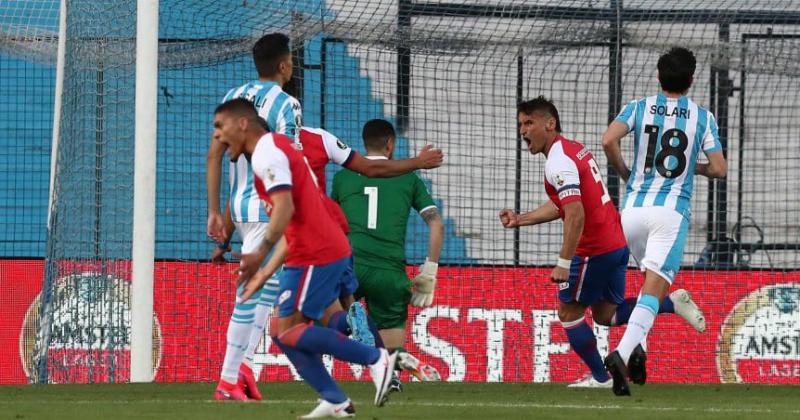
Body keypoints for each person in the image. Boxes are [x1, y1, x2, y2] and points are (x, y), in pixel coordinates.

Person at [499, 97, 705, 389]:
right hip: (615, 243)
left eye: (529, 123)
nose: (523, 130)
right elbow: (565, 204)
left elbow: (575, 214)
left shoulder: (558, 161)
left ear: (550, 123)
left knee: (568, 315)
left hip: (593, 251)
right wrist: (521, 219)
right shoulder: (573, 150)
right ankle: (670, 303)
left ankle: (602, 377)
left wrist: (563, 262)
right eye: (520, 124)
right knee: (606, 315)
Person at [215, 98, 398, 418]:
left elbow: (284, 212)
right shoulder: (276, 150)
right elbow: (292, 220)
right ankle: (335, 399)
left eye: (221, 127)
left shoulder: (267, 153)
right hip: (309, 251)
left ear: (242, 124)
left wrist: (259, 253)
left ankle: (375, 358)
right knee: (281, 331)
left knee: (290, 330)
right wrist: (262, 271)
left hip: (318, 251)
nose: (218, 136)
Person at [602, 47, 727, 396]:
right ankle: (622, 353)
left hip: (631, 211)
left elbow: (608, 139)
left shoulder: (638, 107)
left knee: (647, 289)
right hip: (669, 214)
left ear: (658, 76)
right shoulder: (703, 117)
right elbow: (719, 168)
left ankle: (640, 350)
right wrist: (693, 168)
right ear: (691, 80)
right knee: (654, 290)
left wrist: (626, 172)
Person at [206, 32, 300, 401]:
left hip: (239, 208)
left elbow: (214, 156)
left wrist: (215, 212)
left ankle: (242, 367)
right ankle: (228, 379)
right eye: (290, 60)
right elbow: (289, 158)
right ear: (283, 65)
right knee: (250, 292)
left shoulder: (232, 98)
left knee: (268, 288)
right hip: (267, 208)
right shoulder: (287, 105)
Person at [331, 119, 445, 390]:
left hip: (351, 266)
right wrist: (429, 271)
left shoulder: (343, 177)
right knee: (390, 354)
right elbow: (437, 225)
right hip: (389, 273)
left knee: (328, 323)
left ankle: (360, 329)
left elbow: (331, 224)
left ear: (364, 143)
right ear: (391, 144)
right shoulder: (409, 178)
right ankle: (394, 368)